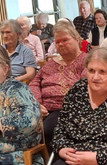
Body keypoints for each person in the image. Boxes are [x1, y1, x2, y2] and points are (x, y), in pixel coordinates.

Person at [29, 19, 88, 152]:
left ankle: (57, 162)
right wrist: (37, 104)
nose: (60, 44)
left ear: (77, 39)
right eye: (57, 42)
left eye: (65, 40)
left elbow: (84, 88)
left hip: (71, 110)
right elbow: (34, 83)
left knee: (48, 129)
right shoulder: (51, 64)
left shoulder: (86, 61)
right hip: (45, 110)